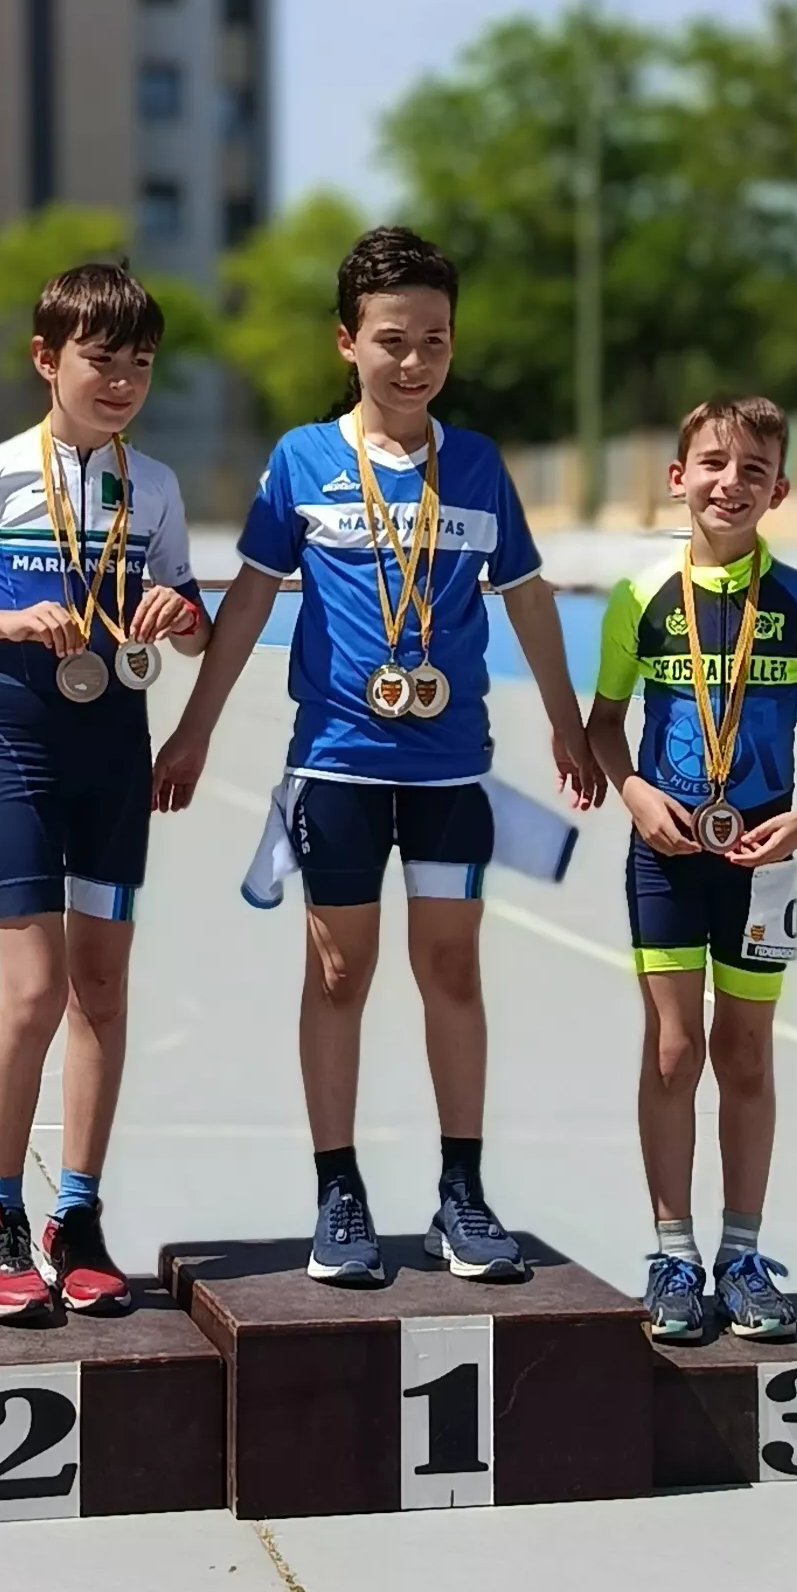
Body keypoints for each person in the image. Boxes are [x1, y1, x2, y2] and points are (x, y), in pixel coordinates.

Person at [152, 226, 603, 1286]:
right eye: (392, 340)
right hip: (339, 767)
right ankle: (337, 1191)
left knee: (451, 968)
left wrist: (565, 720)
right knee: (338, 971)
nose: (414, 362)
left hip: (450, 770)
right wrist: (195, 726)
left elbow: (526, 599)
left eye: (435, 341)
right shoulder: (302, 462)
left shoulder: (480, 466)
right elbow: (255, 597)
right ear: (345, 342)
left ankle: (461, 1192)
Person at [0, 263, 210, 1321]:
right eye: (98, 361)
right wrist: (6, 623)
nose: (119, 382)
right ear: (46, 359)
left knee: (102, 992)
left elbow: (194, 618)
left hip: (114, 757)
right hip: (19, 758)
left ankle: (76, 1215)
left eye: (139, 365)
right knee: (31, 992)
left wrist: (177, 611)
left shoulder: (152, 486)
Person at [587, 396, 797, 1341]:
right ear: (678, 477)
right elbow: (601, 727)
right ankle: (673, 1253)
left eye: (754, 470)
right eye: (712, 463)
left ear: (779, 489)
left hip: (762, 856)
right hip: (666, 851)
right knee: (674, 1049)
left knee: (745, 1050)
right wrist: (633, 793)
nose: (730, 482)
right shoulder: (639, 600)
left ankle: (742, 1254)